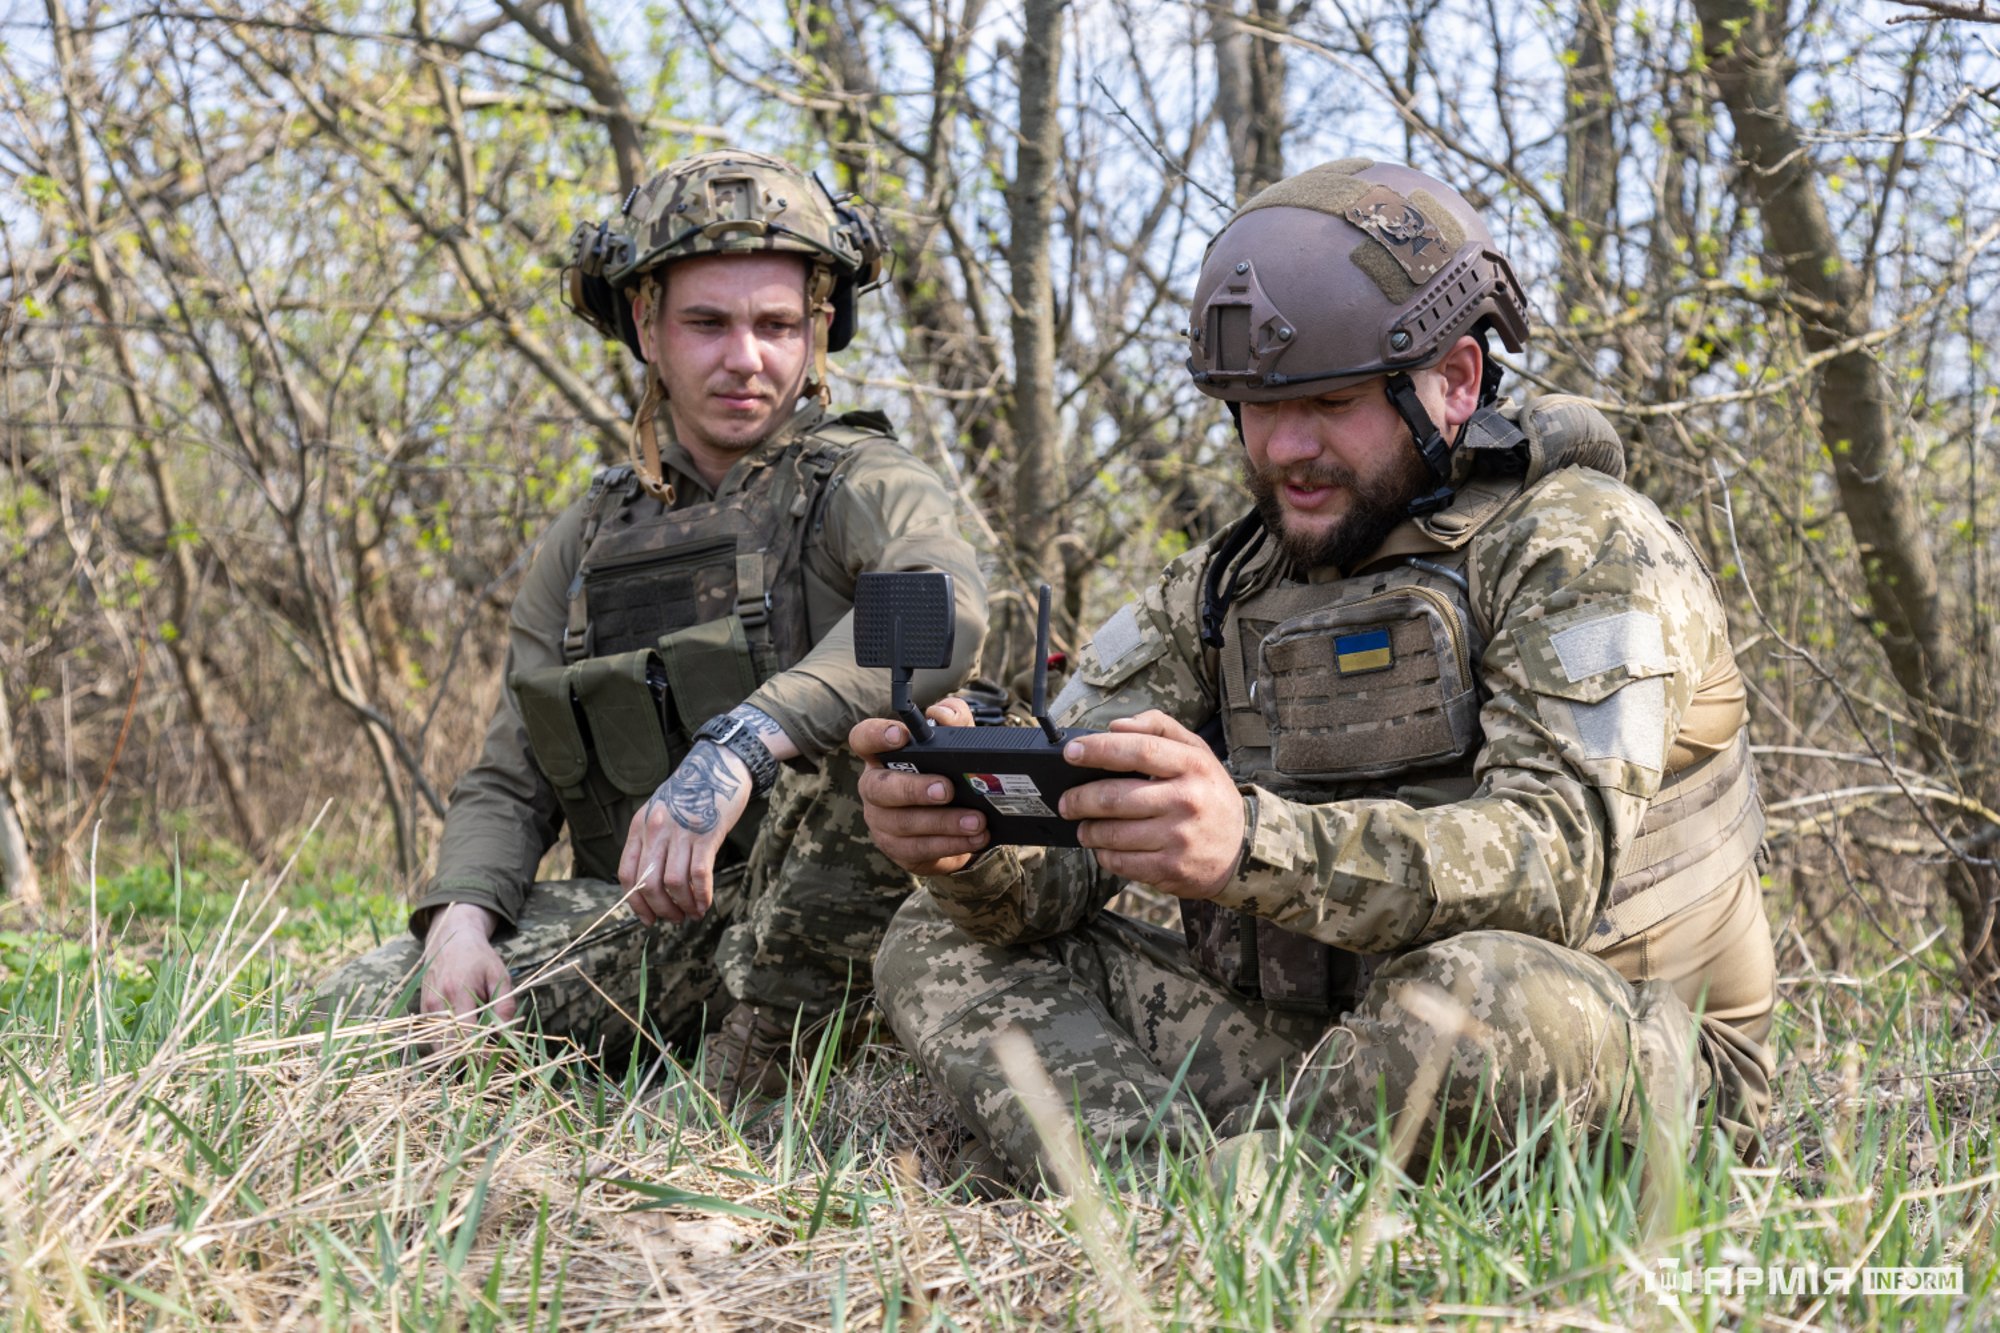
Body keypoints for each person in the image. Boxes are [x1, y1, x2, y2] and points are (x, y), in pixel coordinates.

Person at [854, 159, 1776, 1184]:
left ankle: (1256, 1193)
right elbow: (1057, 860)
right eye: (1254, 406)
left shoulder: (1579, 548)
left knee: (1479, 991)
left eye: (1330, 402)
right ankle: (1157, 1192)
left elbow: (1550, 870)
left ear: (1456, 381)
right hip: (1329, 1050)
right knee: (930, 939)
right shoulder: (1224, 584)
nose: (1286, 447)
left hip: (1617, 1057)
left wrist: (1248, 840)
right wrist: (971, 839)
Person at [321, 149, 987, 1103]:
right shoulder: (590, 537)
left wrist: (741, 745)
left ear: (819, 331)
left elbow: (936, 612)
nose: (745, 358)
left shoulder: (860, 485)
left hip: (837, 931)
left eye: (777, 325)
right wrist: (461, 921)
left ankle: (758, 1080)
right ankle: (676, 1061)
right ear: (647, 325)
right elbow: (513, 775)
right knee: (348, 1017)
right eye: (708, 324)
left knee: (885, 744)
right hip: (660, 933)